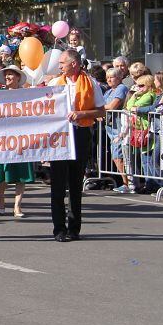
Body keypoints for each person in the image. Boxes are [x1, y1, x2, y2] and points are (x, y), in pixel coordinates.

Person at [49, 49, 105, 242]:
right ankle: (59, 228)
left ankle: (74, 227)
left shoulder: (91, 83)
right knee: (57, 184)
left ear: (74, 63)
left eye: (62, 63)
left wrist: (81, 114)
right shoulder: (55, 83)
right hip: (59, 135)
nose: (60, 66)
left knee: (74, 183)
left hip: (80, 132)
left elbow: (101, 111)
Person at [0, 66, 35, 217]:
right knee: (3, 171)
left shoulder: (25, 95)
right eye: (6, 75)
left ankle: (17, 206)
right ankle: (1, 198)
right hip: (3, 138)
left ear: (17, 78)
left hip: (21, 137)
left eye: (11, 75)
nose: (8, 77)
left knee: (21, 173)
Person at [103, 67, 132, 193]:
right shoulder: (108, 91)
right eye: (108, 77)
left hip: (120, 127)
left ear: (119, 78)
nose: (109, 79)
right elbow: (103, 105)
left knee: (119, 156)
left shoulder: (121, 88)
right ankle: (124, 181)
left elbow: (112, 106)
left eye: (112, 77)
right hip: (110, 127)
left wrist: (99, 110)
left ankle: (127, 183)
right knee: (116, 156)